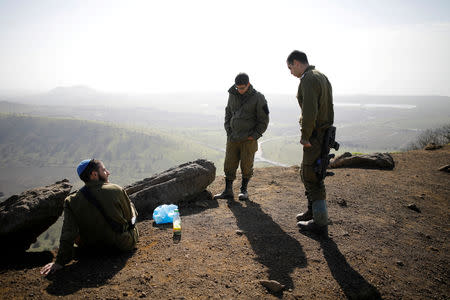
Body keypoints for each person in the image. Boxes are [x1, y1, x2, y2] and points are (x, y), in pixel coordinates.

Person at [40, 159, 139, 276]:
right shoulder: (116, 190)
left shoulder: (71, 201)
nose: (108, 172)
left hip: (92, 249)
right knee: (131, 208)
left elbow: (68, 232)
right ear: (94, 174)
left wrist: (59, 262)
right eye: (104, 169)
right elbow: (129, 218)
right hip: (122, 245)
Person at [286, 50, 334, 234]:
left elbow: (309, 112)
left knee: (312, 176)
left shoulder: (308, 79)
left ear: (297, 63)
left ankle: (320, 223)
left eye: (290, 67)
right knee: (309, 172)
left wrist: (305, 136)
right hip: (323, 133)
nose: (290, 72)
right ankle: (312, 211)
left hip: (315, 135)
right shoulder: (320, 76)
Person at [214, 73, 270, 201]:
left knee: (246, 165)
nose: (240, 90)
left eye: (242, 88)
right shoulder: (232, 95)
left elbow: (264, 119)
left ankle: (244, 190)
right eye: (238, 87)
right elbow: (228, 112)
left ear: (248, 84)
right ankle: (228, 191)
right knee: (229, 164)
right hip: (233, 138)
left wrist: (255, 136)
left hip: (248, 140)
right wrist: (228, 130)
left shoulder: (259, 98)